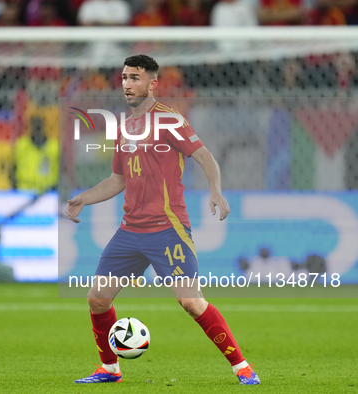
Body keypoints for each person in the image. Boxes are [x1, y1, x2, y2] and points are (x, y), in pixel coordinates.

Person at [66, 55, 260, 386]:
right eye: (125, 77)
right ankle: (109, 369)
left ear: (152, 83)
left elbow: (204, 155)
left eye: (135, 78)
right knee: (97, 298)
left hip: (168, 228)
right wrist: (85, 197)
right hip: (130, 231)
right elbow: (118, 180)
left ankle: (241, 366)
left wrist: (215, 191)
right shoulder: (124, 128)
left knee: (190, 300)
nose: (127, 84)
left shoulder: (169, 120)